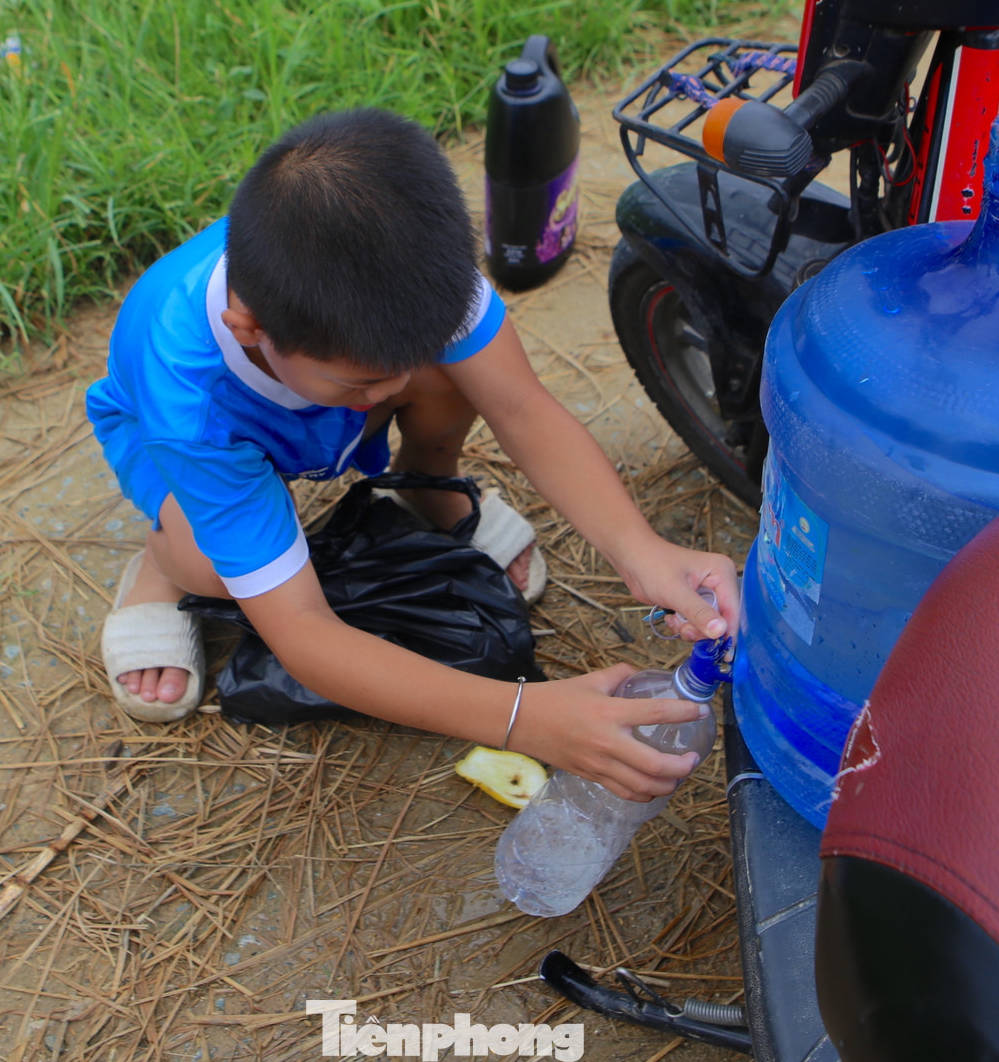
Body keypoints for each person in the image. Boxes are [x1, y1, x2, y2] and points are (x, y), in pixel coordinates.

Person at [87, 108, 739, 802]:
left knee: (450, 371)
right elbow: (304, 633)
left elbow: (520, 406)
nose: (391, 391)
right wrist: (525, 717)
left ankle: (430, 489)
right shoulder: (189, 401)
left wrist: (641, 550)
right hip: (186, 440)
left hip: (305, 397)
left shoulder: (417, 274)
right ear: (247, 328)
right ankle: (158, 565)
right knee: (207, 560)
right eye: (363, 381)